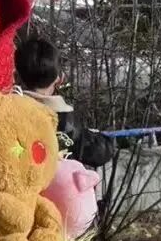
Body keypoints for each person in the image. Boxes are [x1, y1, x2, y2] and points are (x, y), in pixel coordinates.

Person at [13, 34, 116, 169]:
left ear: (16, 75)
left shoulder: (9, 109)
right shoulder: (65, 122)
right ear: (59, 79)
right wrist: (110, 140)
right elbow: (99, 152)